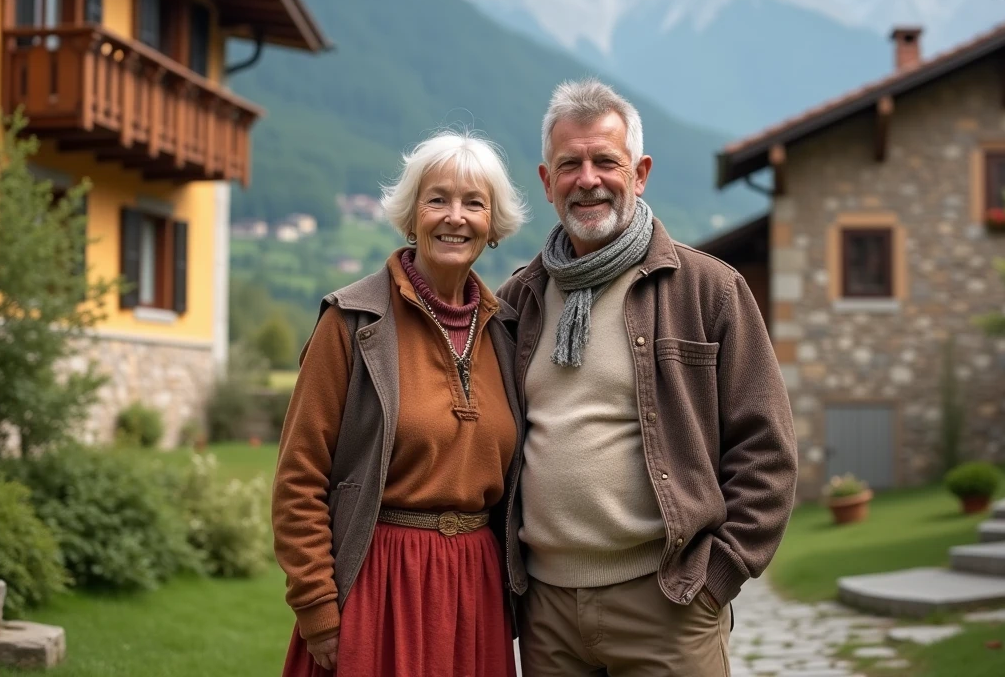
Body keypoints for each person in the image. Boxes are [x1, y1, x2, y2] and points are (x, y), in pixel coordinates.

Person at [498, 79, 799, 676]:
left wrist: (719, 576)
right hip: (546, 610)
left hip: (668, 604)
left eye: (606, 161)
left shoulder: (707, 289)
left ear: (639, 173)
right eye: (570, 164)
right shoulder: (519, 301)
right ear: (546, 180)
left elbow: (767, 449)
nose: (588, 178)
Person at [273, 131, 528, 677]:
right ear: (412, 215)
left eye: (473, 203)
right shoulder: (352, 322)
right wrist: (318, 608)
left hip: (476, 590)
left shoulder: (506, 330)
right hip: (376, 584)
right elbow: (299, 479)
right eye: (438, 199)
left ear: (493, 224)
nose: (455, 217)